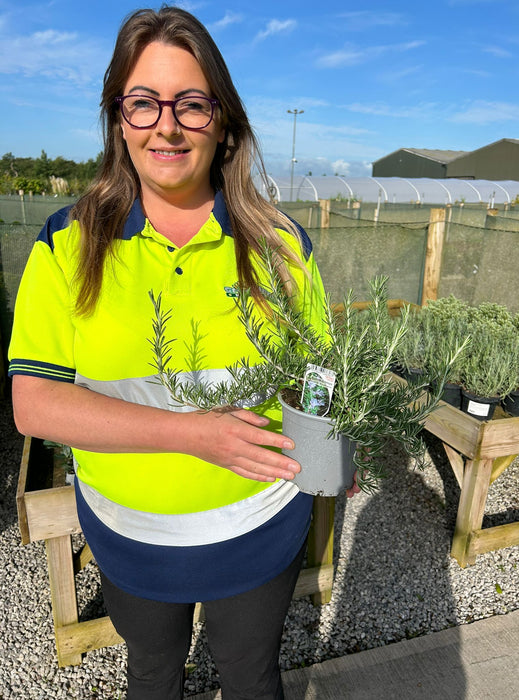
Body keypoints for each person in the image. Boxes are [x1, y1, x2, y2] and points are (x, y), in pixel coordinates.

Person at [9, 6, 359, 699]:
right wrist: (191, 434)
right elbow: (34, 404)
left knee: (252, 675)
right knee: (153, 674)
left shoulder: (280, 246)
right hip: (131, 538)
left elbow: (318, 376)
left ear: (222, 120)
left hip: (260, 528)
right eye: (143, 103)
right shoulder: (65, 247)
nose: (166, 125)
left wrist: (338, 442)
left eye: (191, 104)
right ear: (118, 119)